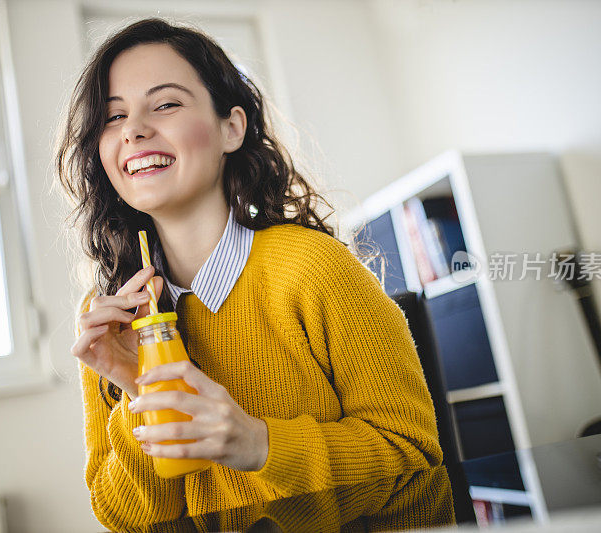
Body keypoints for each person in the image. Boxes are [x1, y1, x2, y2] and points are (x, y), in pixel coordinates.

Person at [56, 17, 453, 531]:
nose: (133, 129)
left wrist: (258, 444)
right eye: (113, 117)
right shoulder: (107, 315)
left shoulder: (315, 269)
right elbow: (123, 516)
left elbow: (413, 457)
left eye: (167, 104)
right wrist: (139, 392)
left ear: (231, 128)